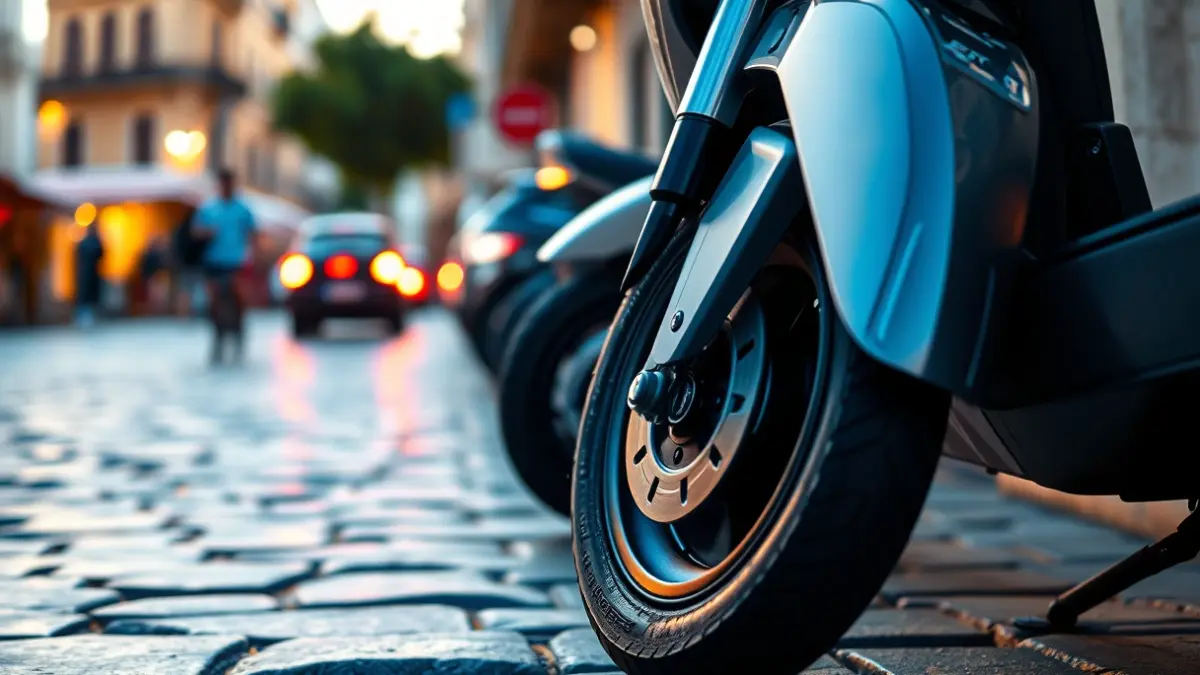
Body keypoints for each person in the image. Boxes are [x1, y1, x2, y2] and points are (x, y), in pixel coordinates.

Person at [194, 168, 257, 364]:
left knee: (238, 300)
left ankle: (238, 335)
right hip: (214, 261)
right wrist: (206, 233)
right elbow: (195, 232)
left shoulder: (243, 209)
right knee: (214, 302)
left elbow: (253, 233)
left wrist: (252, 256)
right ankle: (218, 337)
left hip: (236, 261)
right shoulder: (208, 209)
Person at [74, 225, 105, 328]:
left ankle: (85, 317)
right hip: (89, 273)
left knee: (86, 295)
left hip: (87, 273)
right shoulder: (94, 242)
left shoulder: (83, 243)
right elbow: (101, 253)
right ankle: (86, 317)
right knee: (87, 295)